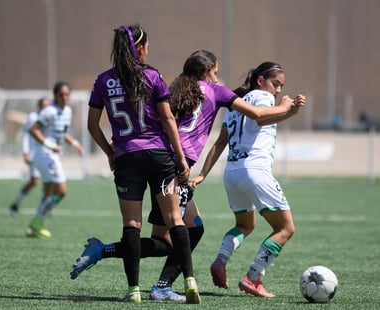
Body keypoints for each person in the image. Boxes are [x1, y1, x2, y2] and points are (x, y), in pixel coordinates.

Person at [70, 49, 296, 302]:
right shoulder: (215, 92)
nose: (217, 79)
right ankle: (160, 286)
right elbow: (258, 114)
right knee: (192, 229)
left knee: (163, 242)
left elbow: (158, 117)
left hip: (158, 162)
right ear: (205, 72)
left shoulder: (176, 89)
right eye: (215, 73)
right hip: (173, 168)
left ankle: (102, 251)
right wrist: (288, 107)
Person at [70, 23, 201, 304]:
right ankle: (190, 281)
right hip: (159, 157)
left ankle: (134, 292)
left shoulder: (103, 80)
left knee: (131, 223)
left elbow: (92, 124)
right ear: (140, 48)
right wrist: (179, 156)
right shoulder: (153, 76)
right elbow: (167, 120)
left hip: (127, 158)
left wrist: (110, 152)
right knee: (175, 219)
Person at [189, 61, 306, 297]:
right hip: (255, 171)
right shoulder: (262, 97)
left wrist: (203, 173)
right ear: (260, 80)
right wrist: (289, 109)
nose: (278, 90)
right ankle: (253, 277)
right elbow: (262, 118)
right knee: (285, 228)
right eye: (275, 84)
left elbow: (220, 142)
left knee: (245, 225)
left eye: (281, 86)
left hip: (232, 173)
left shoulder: (236, 105)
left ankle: (221, 259)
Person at [26, 81, 84, 238]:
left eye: (67, 94)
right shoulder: (49, 111)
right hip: (44, 154)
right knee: (61, 191)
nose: (64, 97)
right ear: (55, 95)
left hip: (52, 155)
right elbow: (33, 130)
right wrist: (48, 144)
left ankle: (36, 225)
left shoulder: (68, 112)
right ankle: (37, 222)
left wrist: (75, 143)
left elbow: (62, 132)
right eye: (61, 95)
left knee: (50, 190)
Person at [9, 97, 50, 217]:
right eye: (43, 105)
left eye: (47, 105)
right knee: (34, 181)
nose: (45, 108)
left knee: (49, 182)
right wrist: (26, 152)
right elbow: (26, 135)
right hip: (35, 154)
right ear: (39, 106)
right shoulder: (33, 117)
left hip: (47, 154)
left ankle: (43, 208)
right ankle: (16, 204)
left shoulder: (49, 117)